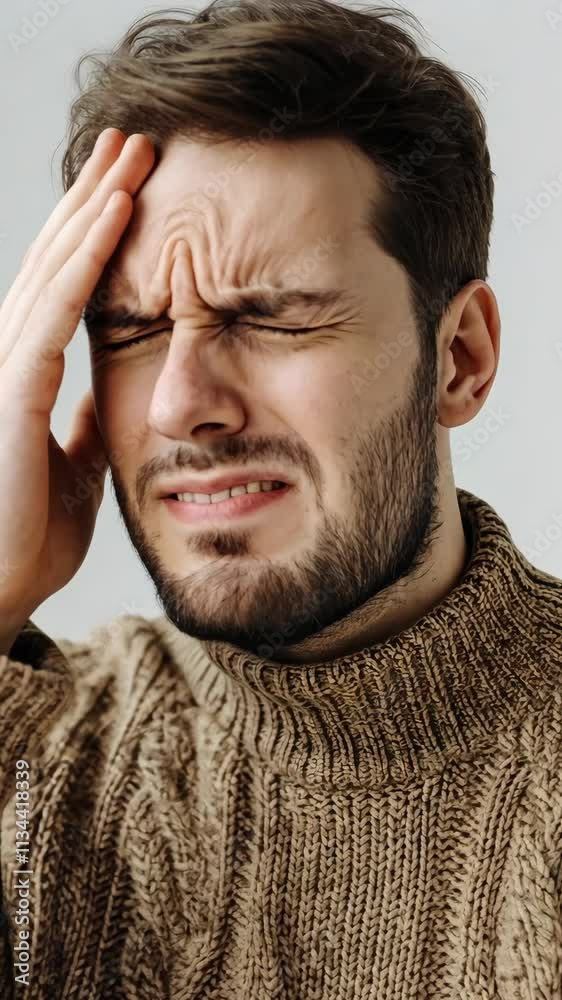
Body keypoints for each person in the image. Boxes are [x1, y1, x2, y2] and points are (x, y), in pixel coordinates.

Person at [0, 0, 560, 996]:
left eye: (270, 317)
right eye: (128, 330)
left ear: (460, 359)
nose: (179, 406)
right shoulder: (33, 756)